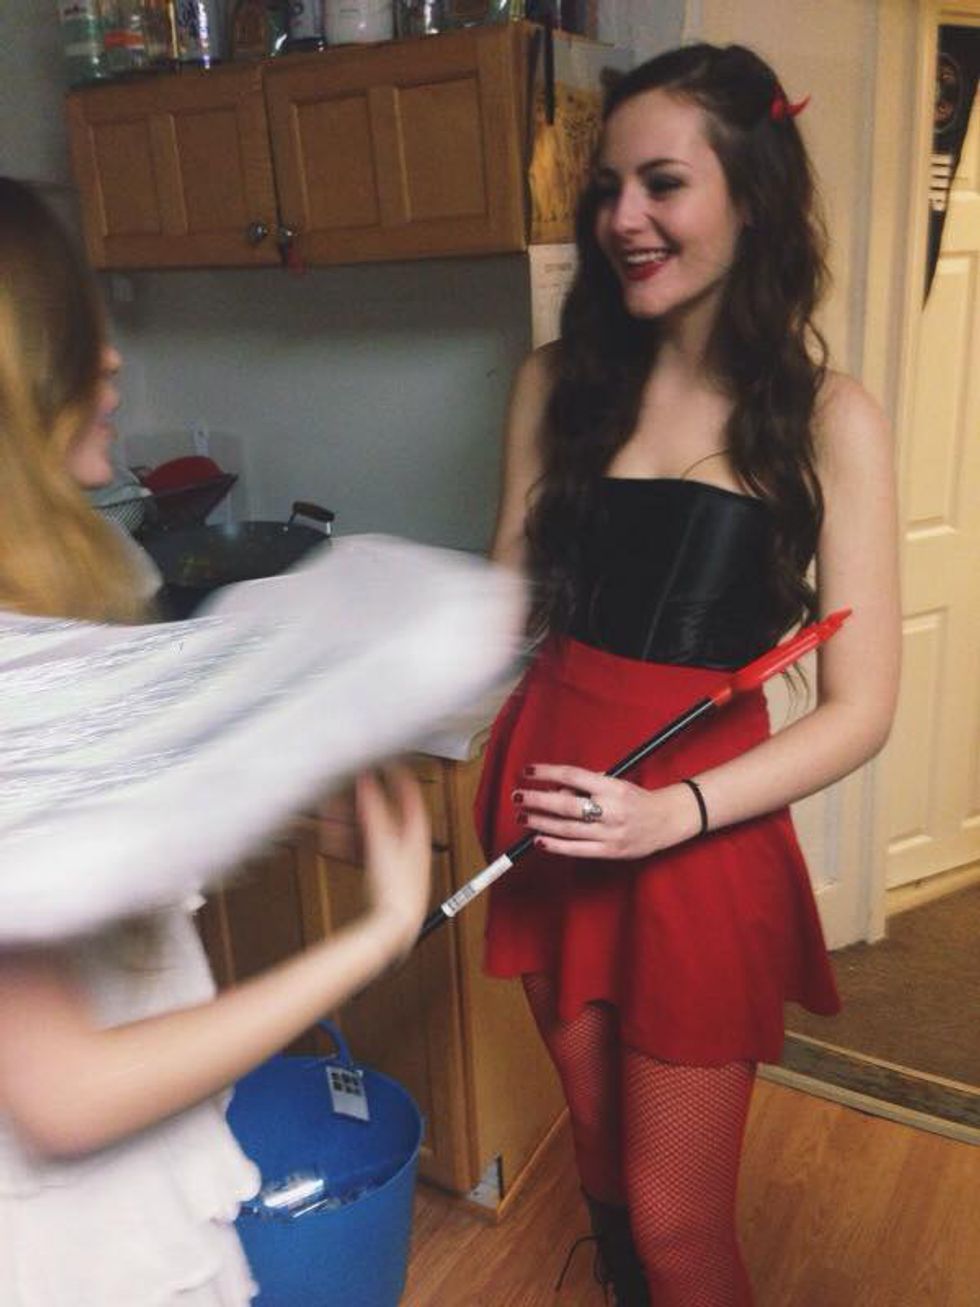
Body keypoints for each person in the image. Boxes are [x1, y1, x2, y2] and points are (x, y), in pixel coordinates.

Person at [0, 177, 521, 1304]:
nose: (113, 357)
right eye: (77, 323)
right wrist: (376, 932)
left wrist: (272, 792)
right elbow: (64, 1093)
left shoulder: (41, 636)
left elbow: (92, 829)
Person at [475, 43, 900, 1307]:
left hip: (692, 841)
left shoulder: (827, 417)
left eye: (661, 183)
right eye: (606, 187)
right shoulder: (554, 383)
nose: (622, 218)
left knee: (675, 1219)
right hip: (548, 800)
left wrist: (671, 813)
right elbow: (501, 607)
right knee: (599, 1157)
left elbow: (861, 706)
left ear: (751, 196)